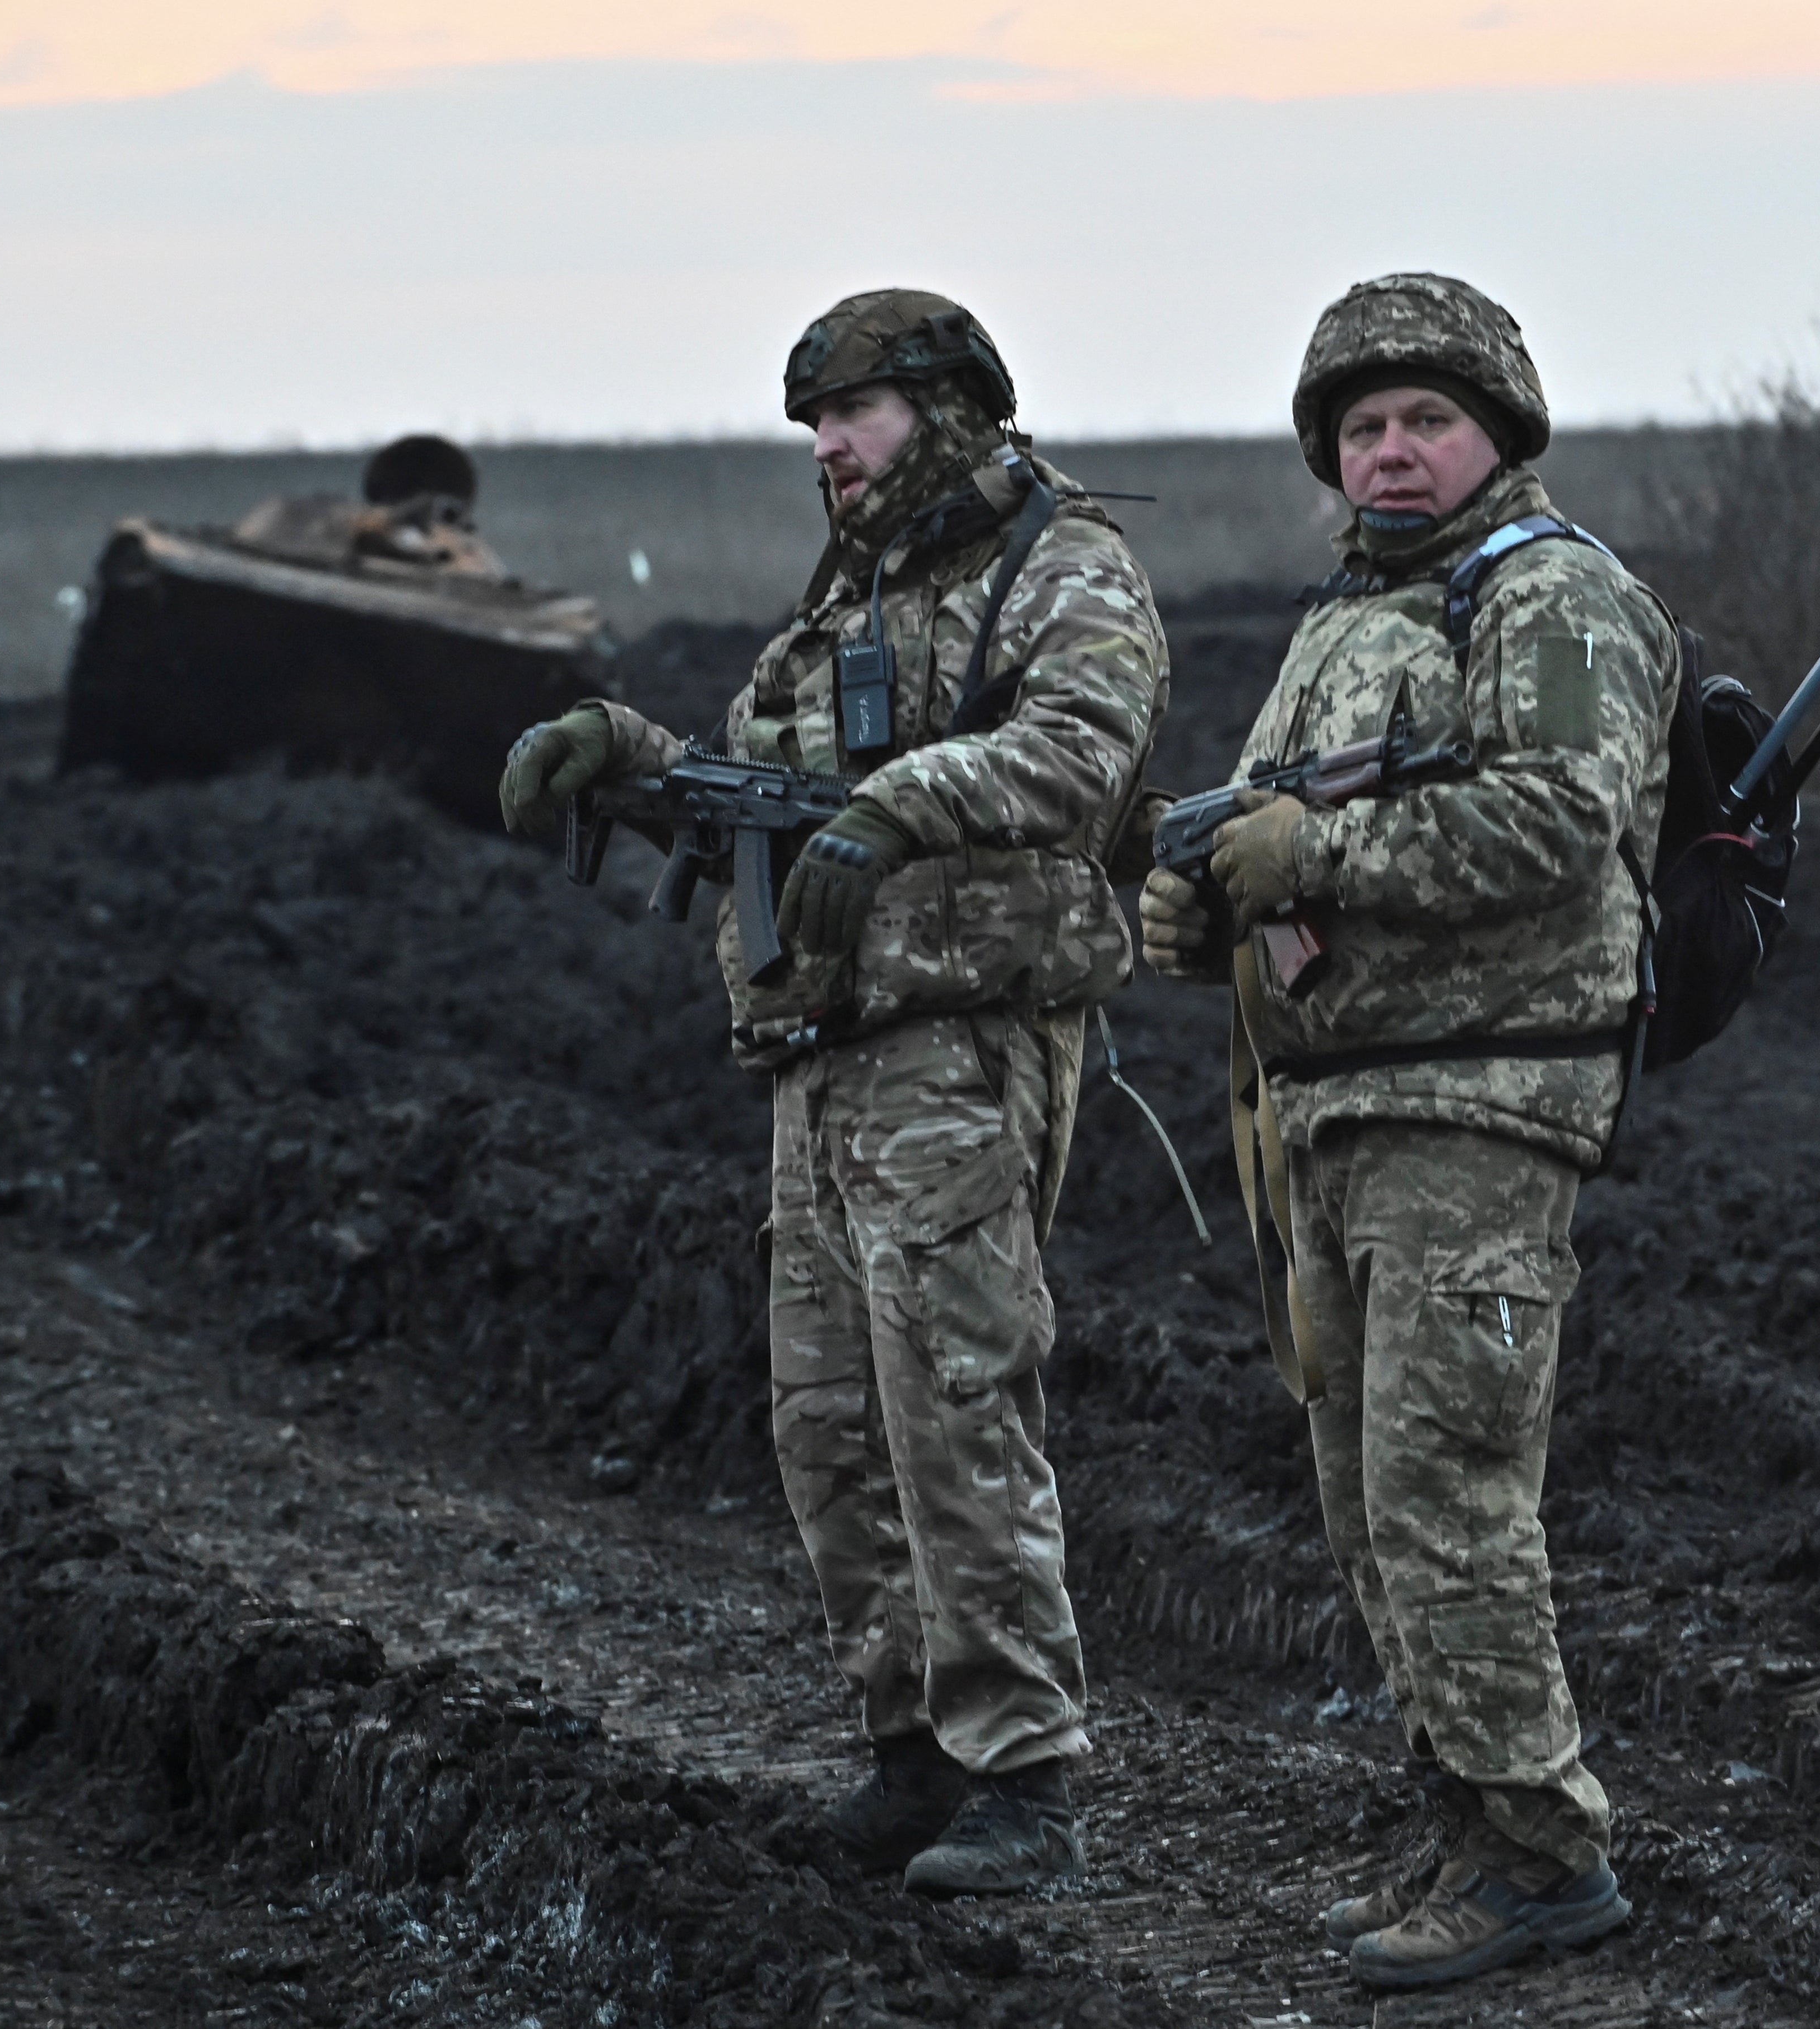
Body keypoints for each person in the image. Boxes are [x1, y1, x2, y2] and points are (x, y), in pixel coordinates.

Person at [498, 289, 1168, 1894]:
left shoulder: (1059, 565)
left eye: (850, 417)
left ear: (943, 409)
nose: (828, 452)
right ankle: (912, 1753)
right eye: (813, 426)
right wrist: (634, 757)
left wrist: (898, 811)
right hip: (817, 1064)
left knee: (954, 1407)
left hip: (959, 1046)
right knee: (828, 1430)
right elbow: (771, 797)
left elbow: (1081, 751)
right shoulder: (840, 605)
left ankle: (1024, 1774)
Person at [1138, 272, 1672, 1987]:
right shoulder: (1347, 619)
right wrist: (1204, 906)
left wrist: (1318, 861)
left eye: (1425, 420)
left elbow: (1555, 821)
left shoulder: (1550, 595)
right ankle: (1468, 1820)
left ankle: (1541, 1855)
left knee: (1446, 1498)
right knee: (1369, 1510)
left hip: (1475, 1103)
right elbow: (1271, 840)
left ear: (1495, 433)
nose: (1389, 452)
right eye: (1360, 428)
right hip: (1339, 1113)